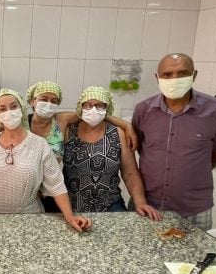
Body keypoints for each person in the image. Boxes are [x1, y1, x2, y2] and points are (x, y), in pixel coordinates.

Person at [0, 89, 92, 231]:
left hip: (29, 219)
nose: (9, 112)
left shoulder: (39, 145)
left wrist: (69, 216)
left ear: (22, 109)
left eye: (13, 107)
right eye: (3, 109)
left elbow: (56, 184)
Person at [132, 53, 216, 230]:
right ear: (157, 78)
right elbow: (142, 148)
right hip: (147, 204)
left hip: (193, 209)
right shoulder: (143, 110)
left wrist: (188, 172)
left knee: (194, 257)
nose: (174, 79)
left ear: (194, 75)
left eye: (182, 73)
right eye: (167, 74)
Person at [25, 80, 140, 212]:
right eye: (43, 99)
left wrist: (127, 125)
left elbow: (91, 114)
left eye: (54, 101)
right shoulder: (22, 123)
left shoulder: (61, 121)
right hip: (30, 190)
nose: (48, 104)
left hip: (61, 194)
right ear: (32, 101)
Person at [64, 86, 162, 219]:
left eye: (99, 106)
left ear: (107, 109)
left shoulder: (118, 134)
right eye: (88, 105)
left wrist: (140, 203)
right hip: (71, 207)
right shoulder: (68, 132)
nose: (93, 110)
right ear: (80, 108)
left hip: (111, 205)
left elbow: (130, 174)